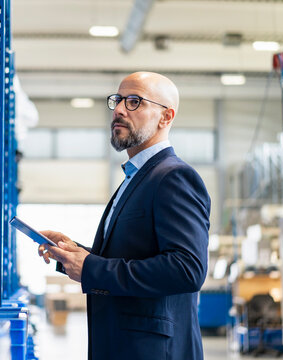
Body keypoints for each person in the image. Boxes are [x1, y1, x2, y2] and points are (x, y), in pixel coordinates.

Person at [37, 72, 211, 360]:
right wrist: (74, 253)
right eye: (118, 100)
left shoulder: (174, 177)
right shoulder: (137, 177)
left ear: (165, 117)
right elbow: (134, 254)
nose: (118, 109)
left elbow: (187, 269)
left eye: (134, 102)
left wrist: (92, 268)